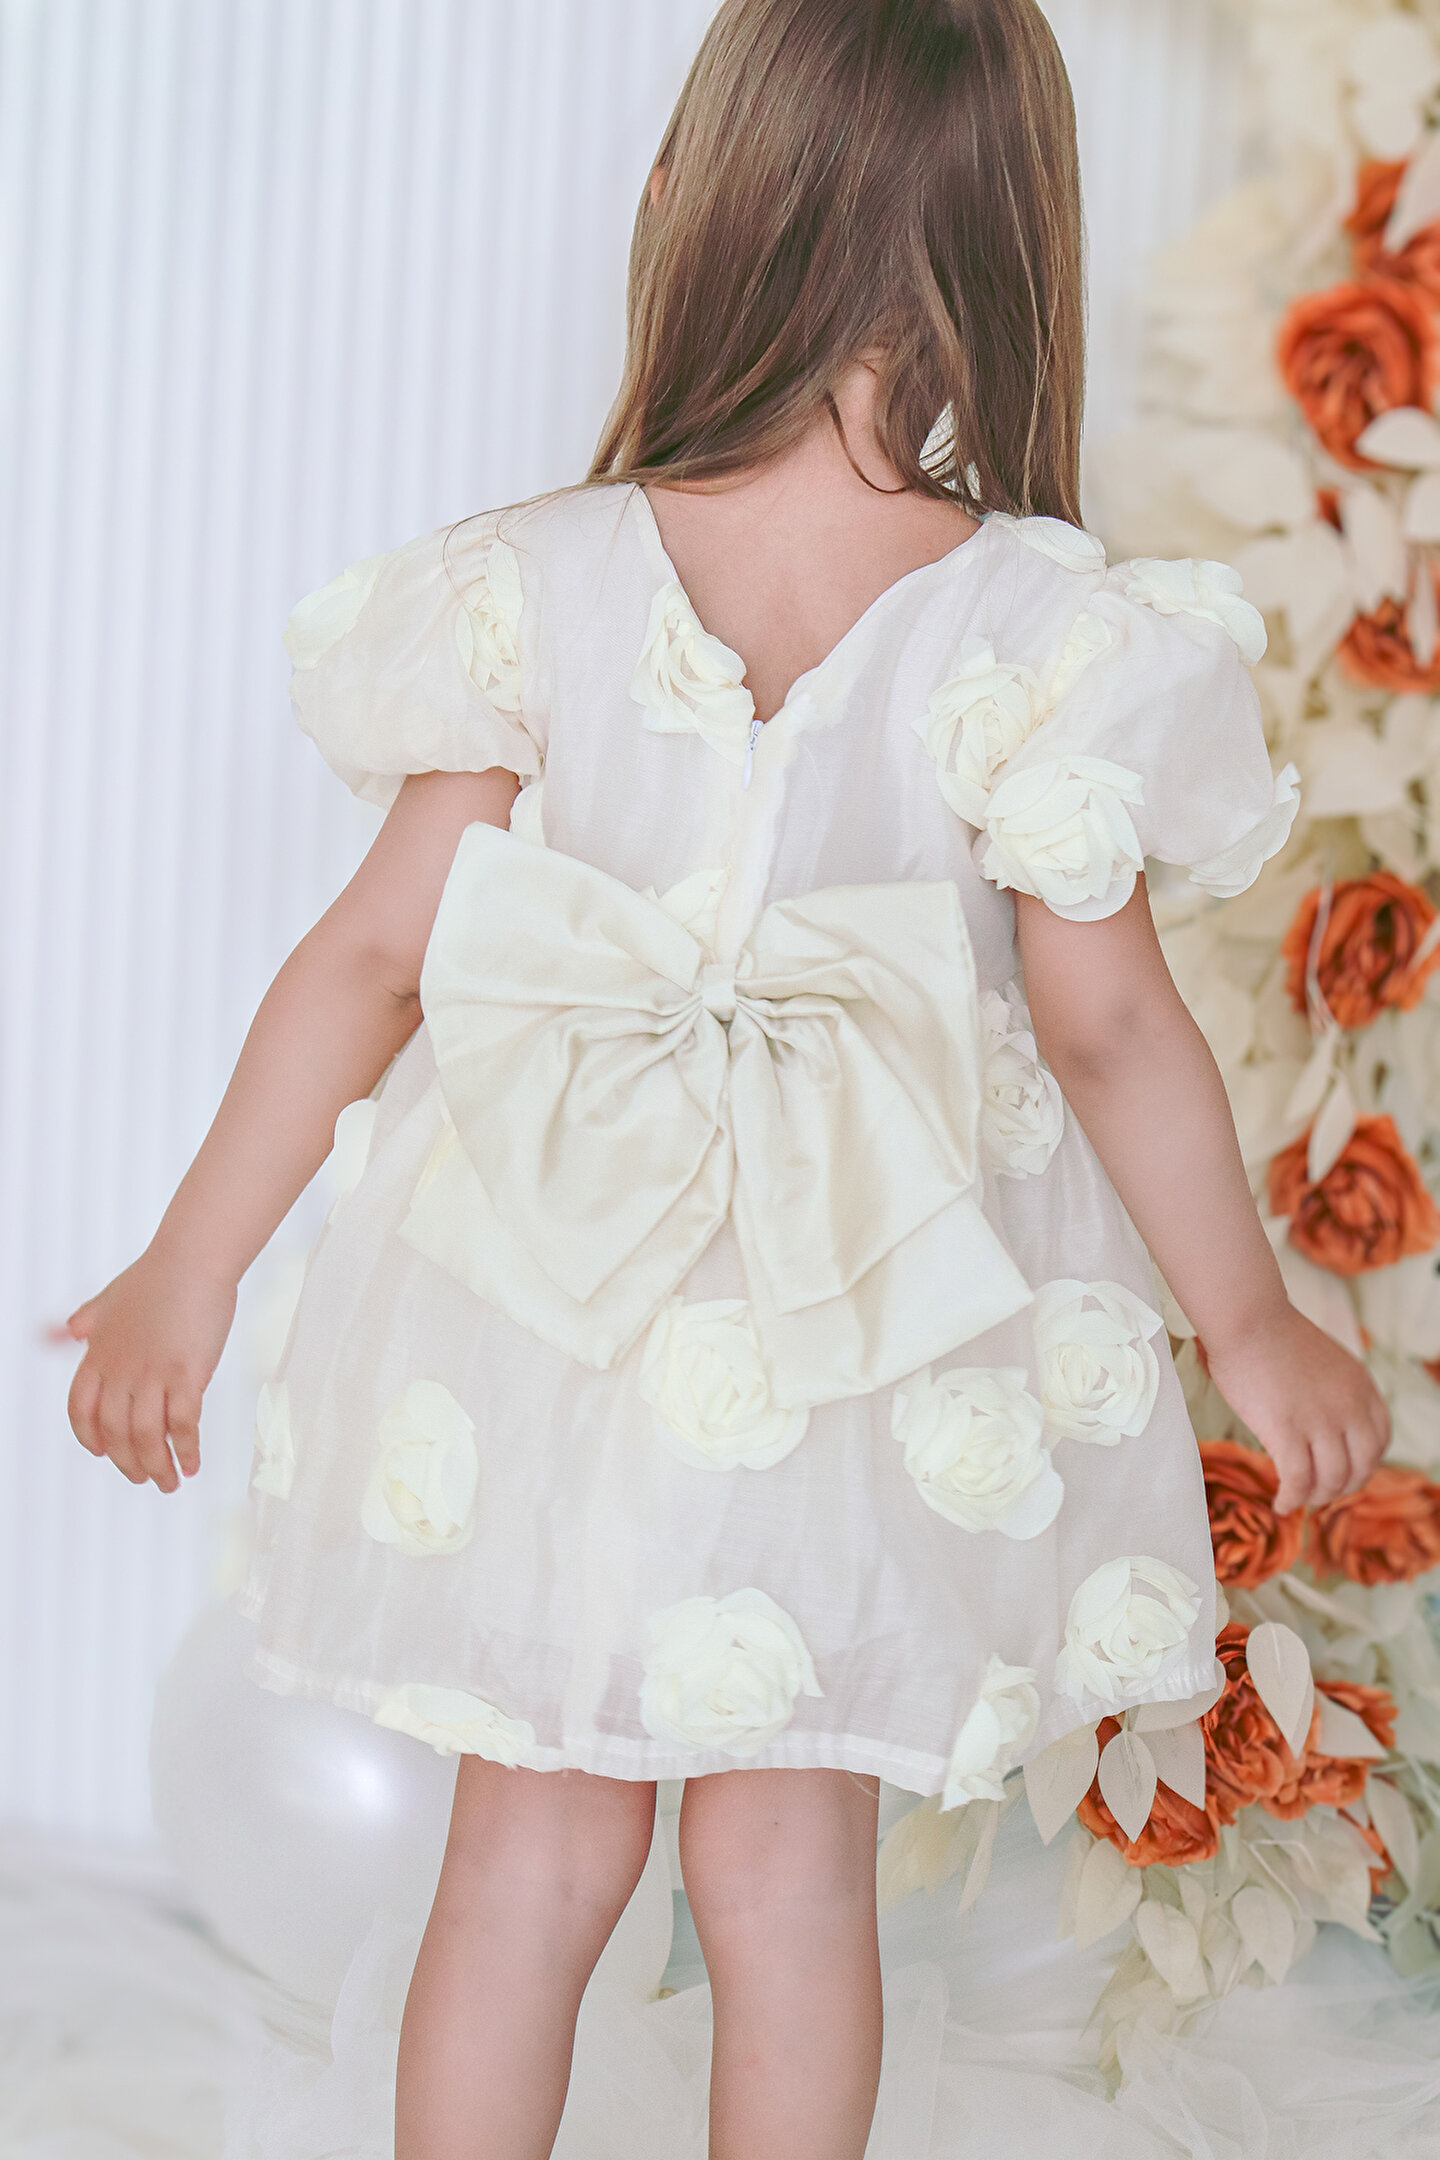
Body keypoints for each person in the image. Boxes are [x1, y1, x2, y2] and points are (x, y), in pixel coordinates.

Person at [65, 2, 1390, 2155]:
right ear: (1020, 251)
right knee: (785, 1882)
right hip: (854, 1338)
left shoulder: (536, 584)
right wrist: (1245, 1317)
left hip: (552, 1321)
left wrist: (187, 1269)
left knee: (525, 1866)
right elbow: (1110, 1021)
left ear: (685, 207)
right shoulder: (1042, 635)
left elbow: (373, 959)